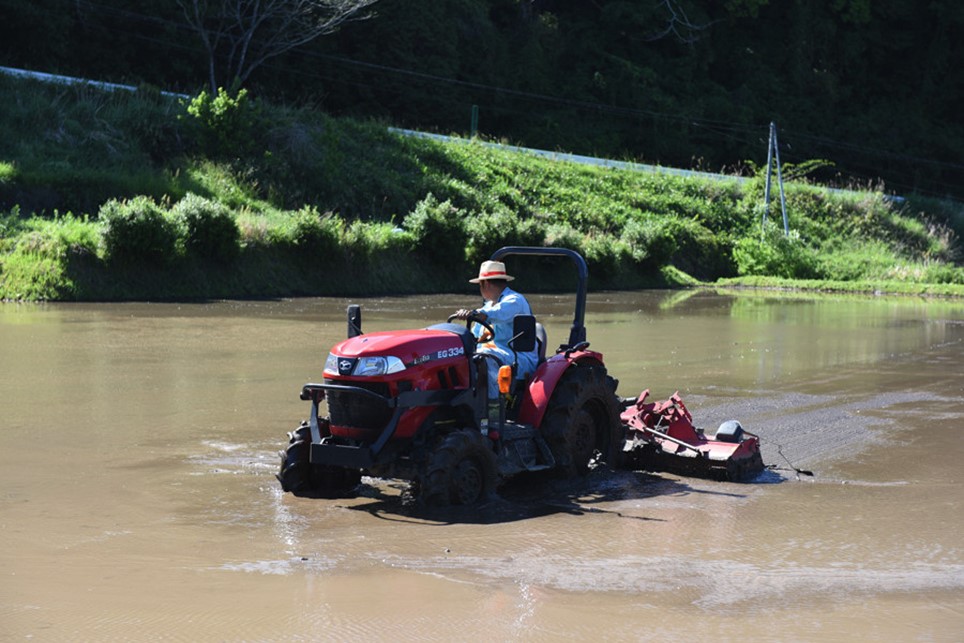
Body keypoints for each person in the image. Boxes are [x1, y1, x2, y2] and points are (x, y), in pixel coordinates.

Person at [453, 260, 539, 405]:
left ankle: (492, 409)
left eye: (479, 285)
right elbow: (477, 337)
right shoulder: (489, 306)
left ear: (485, 284)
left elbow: (499, 313)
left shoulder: (514, 301)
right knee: (462, 356)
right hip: (500, 353)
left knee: (486, 359)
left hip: (520, 356)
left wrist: (474, 313)